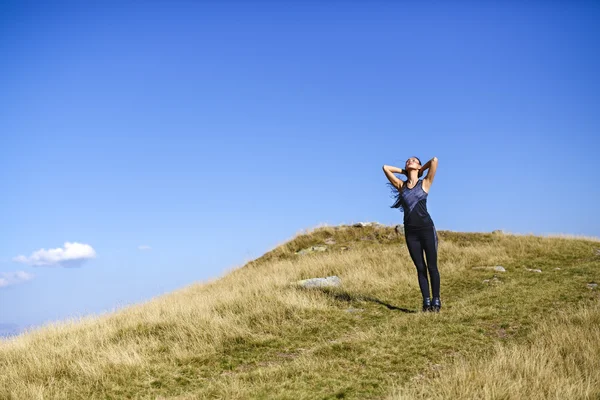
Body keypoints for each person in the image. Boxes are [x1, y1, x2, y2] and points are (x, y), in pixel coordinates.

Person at [382, 157, 440, 312]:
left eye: (414, 160)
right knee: (420, 268)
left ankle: (436, 300)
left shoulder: (425, 183)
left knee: (432, 267)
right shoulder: (401, 186)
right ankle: (426, 302)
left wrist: (421, 170)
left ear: (419, 166)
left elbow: (434, 161)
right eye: (408, 161)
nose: (410, 161)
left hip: (427, 230)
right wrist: (405, 171)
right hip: (411, 233)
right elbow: (385, 167)